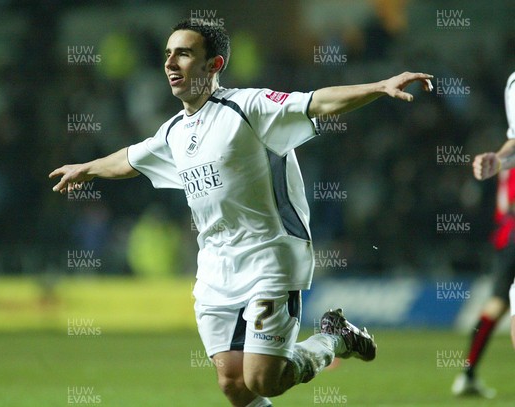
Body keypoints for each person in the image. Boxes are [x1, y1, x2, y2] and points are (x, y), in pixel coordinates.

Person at [50, 20, 433, 407]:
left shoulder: (249, 107)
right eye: (168, 53)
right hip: (215, 268)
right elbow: (131, 159)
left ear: (213, 65)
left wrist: (380, 87)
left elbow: (319, 100)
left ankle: (333, 337)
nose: (170, 62)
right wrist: (86, 168)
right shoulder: (174, 132)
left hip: (269, 258)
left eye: (183, 53)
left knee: (264, 379)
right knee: (234, 385)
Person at [454, 71, 515, 397]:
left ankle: (468, 372)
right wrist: (501, 159)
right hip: (512, 229)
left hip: (507, 232)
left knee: (498, 302)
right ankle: (467, 373)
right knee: (504, 303)